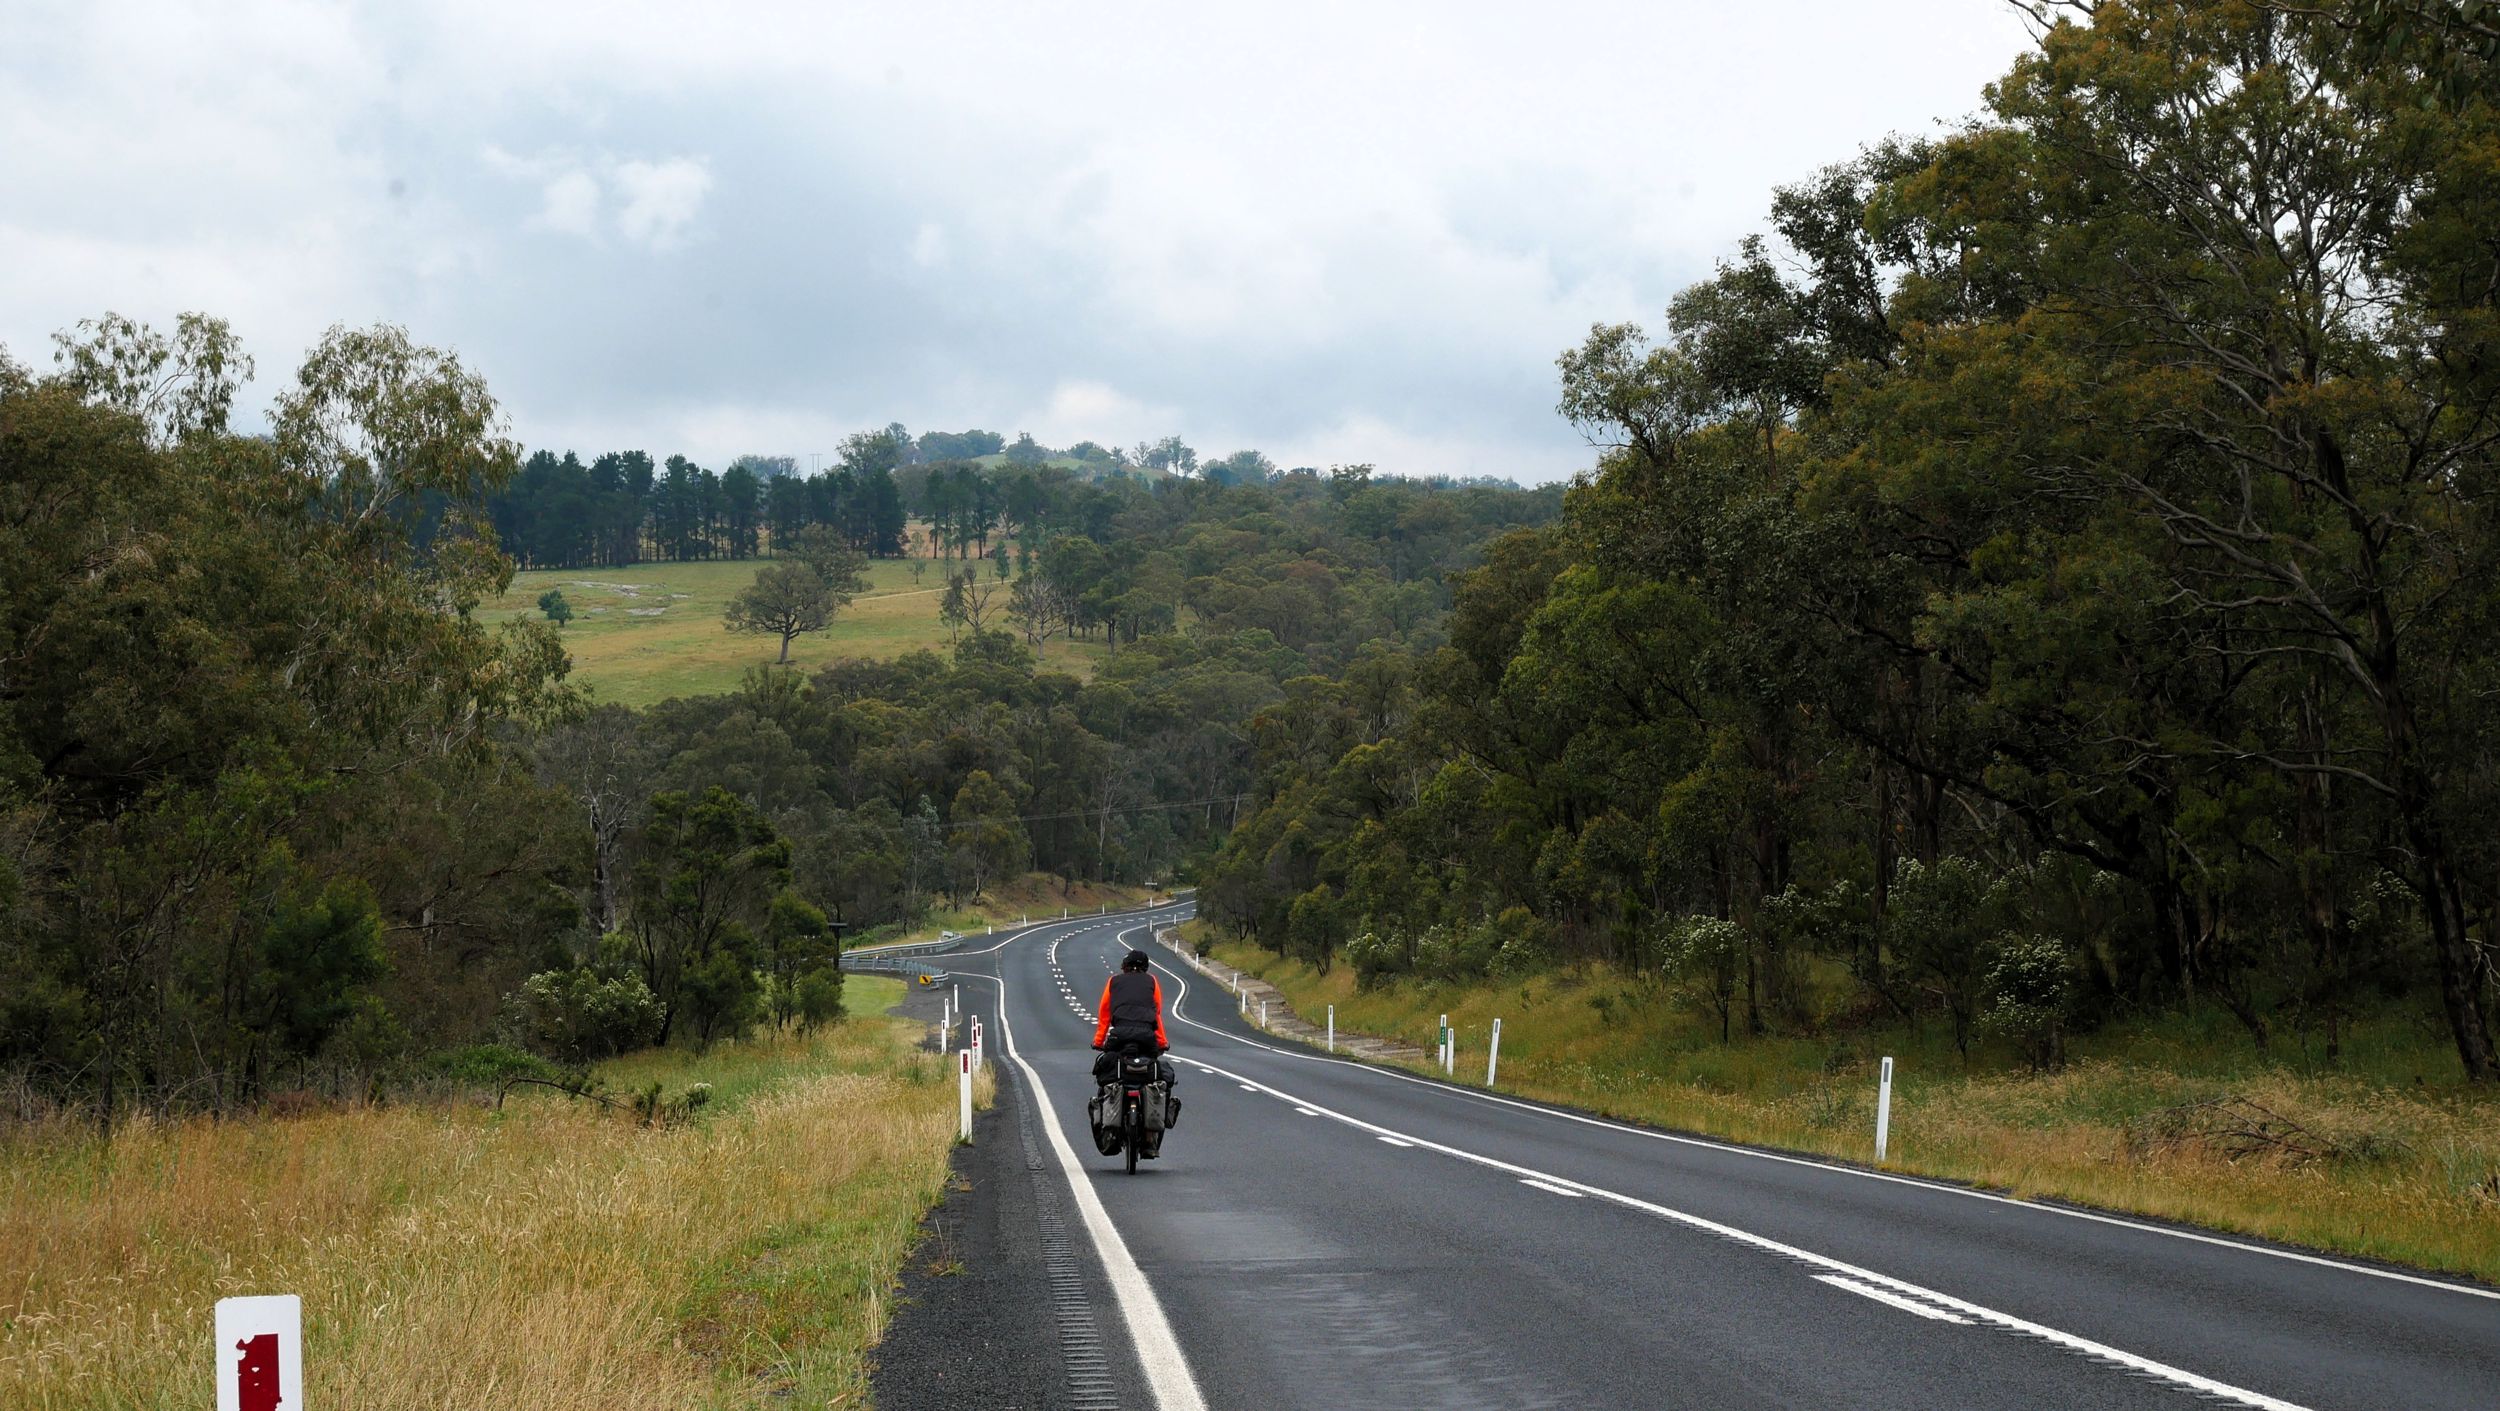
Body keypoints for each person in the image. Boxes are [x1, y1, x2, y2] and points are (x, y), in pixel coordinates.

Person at [1091, 949, 1175, 1092]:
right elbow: (1156, 1013)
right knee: (1153, 1069)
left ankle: (1106, 1099)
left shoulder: (1113, 981)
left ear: (1124, 966)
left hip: (1119, 1035)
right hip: (1146, 1037)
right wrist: (1162, 1042)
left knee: (1108, 1069)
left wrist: (1098, 1041)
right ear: (1146, 967)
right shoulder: (1152, 981)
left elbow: (1105, 1013)